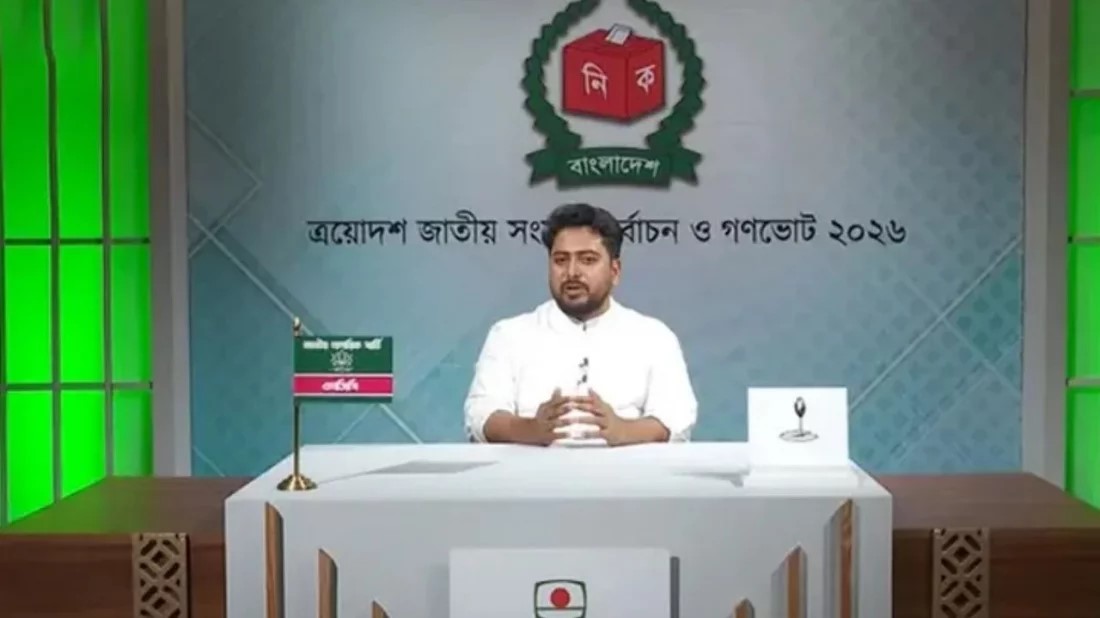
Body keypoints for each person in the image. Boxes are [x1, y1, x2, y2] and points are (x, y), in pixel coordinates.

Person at [463, 203, 698, 446]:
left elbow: (677, 419)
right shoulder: (508, 335)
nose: (572, 272)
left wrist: (623, 431)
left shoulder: (654, 337)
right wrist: (531, 430)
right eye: (560, 260)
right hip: (532, 470)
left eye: (587, 260)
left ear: (615, 271)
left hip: (626, 470)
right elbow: (480, 416)